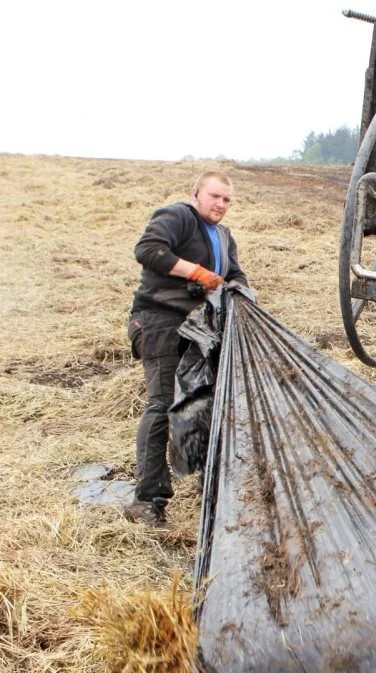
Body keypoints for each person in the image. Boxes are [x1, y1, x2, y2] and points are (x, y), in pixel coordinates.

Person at [124, 171, 250, 528]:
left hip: (200, 331)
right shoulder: (178, 216)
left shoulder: (224, 237)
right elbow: (147, 250)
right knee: (163, 405)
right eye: (215, 196)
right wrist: (196, 273)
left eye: (227, 200)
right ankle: (147, 500)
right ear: (196, 193)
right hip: (159, 321)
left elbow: (236, 276)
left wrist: (238, 288)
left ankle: (206, 487)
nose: (221, 205)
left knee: (199, 404)